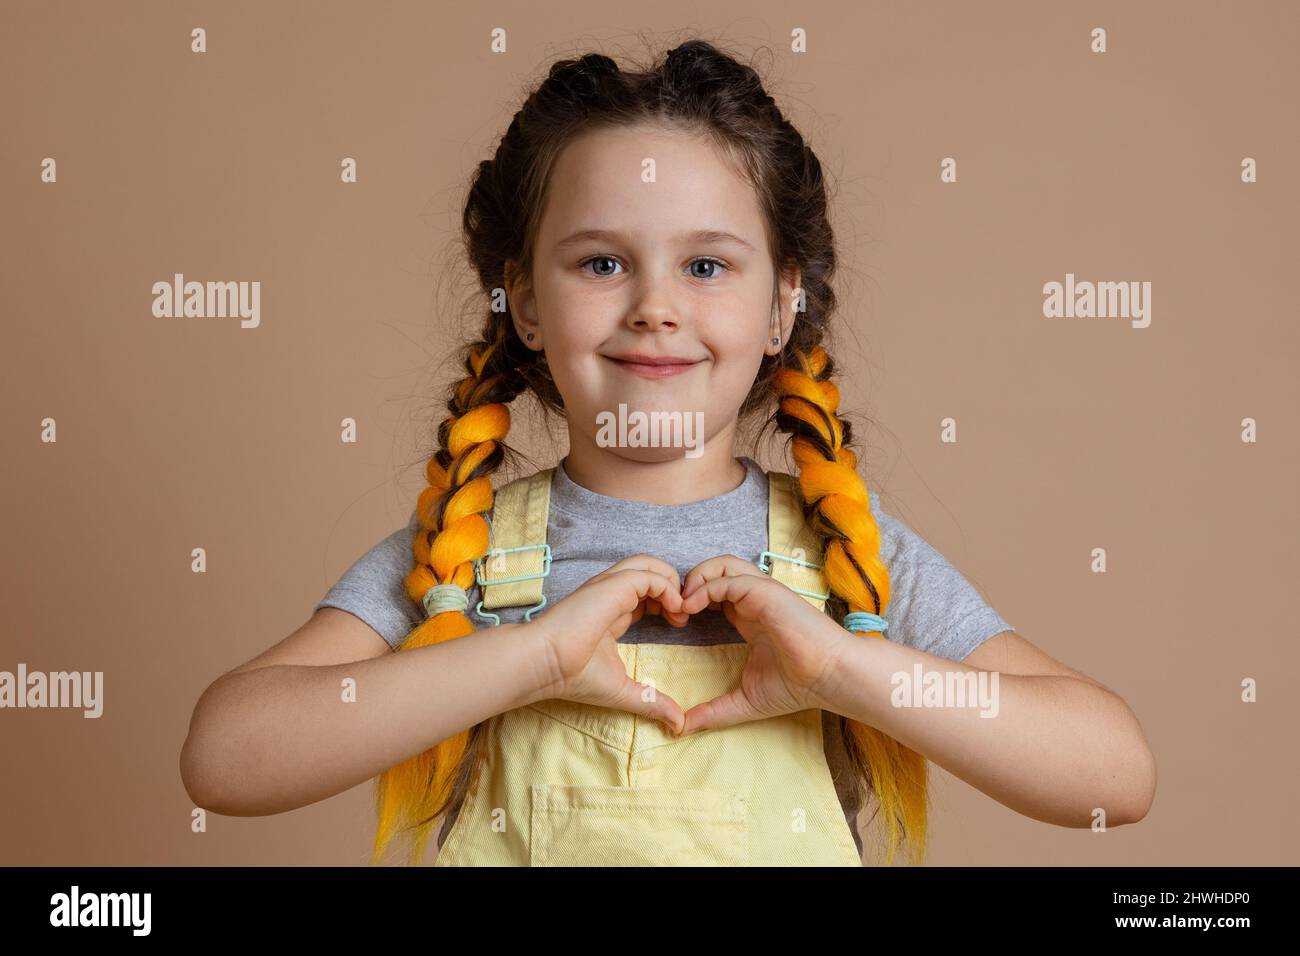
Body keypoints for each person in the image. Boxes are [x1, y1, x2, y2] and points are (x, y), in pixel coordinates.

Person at [179, 40, 1156, 867]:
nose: (654, 303)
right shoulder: (458, 558)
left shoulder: (846, 563)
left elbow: (1112, 773)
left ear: (782, 303)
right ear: (523, 300)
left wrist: (840, 670)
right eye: (601, 261)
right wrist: (527, 660)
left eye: (705, 264)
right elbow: (225, 757)